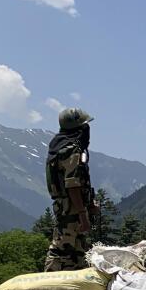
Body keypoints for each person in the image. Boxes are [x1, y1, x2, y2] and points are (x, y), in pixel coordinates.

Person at [44, 108, 97, 271]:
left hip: (69, 206)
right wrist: (83, 214)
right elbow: (72, 184)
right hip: (71, 209)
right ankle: (49, 279)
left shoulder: (60, 146)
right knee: (61, 248)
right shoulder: (71, 150)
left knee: (78, 251)